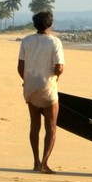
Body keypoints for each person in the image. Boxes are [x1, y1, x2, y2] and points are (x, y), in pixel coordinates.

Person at [17, 10, 66, 173]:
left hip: (30, 87)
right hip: (47, 88)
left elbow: (20, 67)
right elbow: (59, 68)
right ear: (50, 24)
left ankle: (36, 162)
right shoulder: (55, 42)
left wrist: (27, 81)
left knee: (34, 125)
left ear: (35, 24)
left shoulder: (27, 41)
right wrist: (56, 74)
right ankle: (44, 163)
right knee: (51, 127)